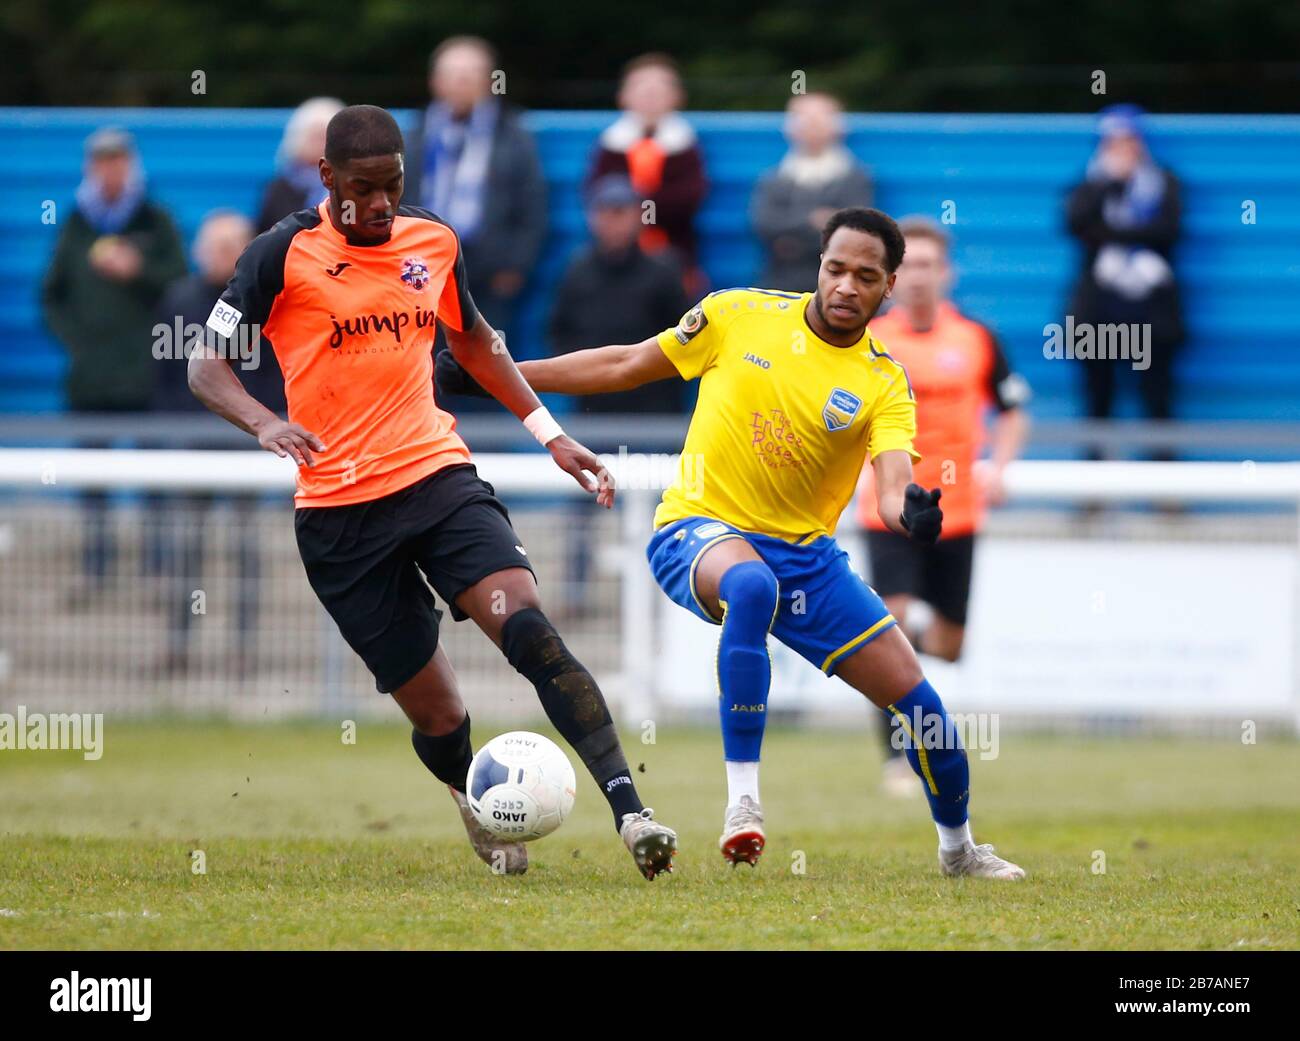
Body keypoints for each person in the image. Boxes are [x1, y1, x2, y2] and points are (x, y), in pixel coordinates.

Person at [439, 207, 1026, 880]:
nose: (844, 286)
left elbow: (893, 486)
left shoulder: (883, 381)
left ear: (887, 286)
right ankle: (743, 801)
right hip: (697, 528)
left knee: (923, 707)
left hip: (807, 561)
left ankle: (959, 849)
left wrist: (910, 513)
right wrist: (502, 372)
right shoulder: (736, 314)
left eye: (865, 277)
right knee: (751, 585)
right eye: (835, 268)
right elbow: (628, 363)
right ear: (820, 264)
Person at [188, 105, 677, 881]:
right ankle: (466, 792)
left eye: (393, 185)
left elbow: (476, 343)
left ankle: (634, 814)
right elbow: (204, 362)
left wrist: (550, 432)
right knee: (442, 716)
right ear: (327, 179)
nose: (381, 203)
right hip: (341, 518)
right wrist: (263, 422)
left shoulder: (434, 240)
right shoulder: (281, 253)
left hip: (437, 478)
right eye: (364, 188)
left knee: (527, 626)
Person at [856, 218, 1030, 796]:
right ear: (894, 279)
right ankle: (895, 759)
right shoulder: (871, 339)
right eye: (911, 268)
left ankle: (902, 645)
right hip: (891, 508)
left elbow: (1013, 409)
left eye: (931, 265)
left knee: (949, 645)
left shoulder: (976, 338)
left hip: (959, 512)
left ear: (946, 273)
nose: (920, 278)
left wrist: (1000, 469)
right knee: (892, 624)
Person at [41, 126, 187, 600]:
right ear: (90, 168)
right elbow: (52, 296)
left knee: (154, 477)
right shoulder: (76, 224)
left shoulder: (155, 219)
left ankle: (158, 568)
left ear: (131, 165)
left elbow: (180, 287)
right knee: (93, 478)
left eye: (119, 161)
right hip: (91, 378)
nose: (110, 170)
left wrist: (137, 270)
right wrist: (78, 343)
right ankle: (96, 568)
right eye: (101, 162)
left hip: (148, 376)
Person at [544, 173, 689, 617]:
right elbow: (559, 332)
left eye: (622, 211)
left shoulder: (663, 272)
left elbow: (684, 344)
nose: (613, 221)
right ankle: (575, 592)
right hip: (592, 417)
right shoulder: (578, 270)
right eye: (605, 212)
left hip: (651, 420)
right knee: (581, 507)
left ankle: (662, 597)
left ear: (638, 217)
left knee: (661, 511)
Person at [149, 211, 285, 676]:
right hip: (194, 449)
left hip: (245, 446)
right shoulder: (179, 299)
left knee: (246, 550)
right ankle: (178, 644)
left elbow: (274, 377)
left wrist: (255, 424)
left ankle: (243, 649)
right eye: (213, 246)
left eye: (230, 247)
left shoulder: (264, 302)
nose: (220, 255)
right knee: (185, 550)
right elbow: (166, 377)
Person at [403, 36, 546, 357]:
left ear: (489, 80)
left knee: (488, 366)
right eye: (453, 75)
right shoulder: (416, 133)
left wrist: (516, 267)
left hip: (489, 270)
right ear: (435, 81)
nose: (460, 84)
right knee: (423, 364)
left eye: (469, 76)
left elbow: (532, 204)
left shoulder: (513, 135)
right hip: (421, 266)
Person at [1065, 103, 1183, 455]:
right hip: (1098, 310)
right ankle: (1094, 490)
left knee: (1157, 398)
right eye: (1112, 143)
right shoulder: (1089, 185)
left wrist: (1112, 233)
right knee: (1098, 400)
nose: (1121, 150)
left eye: (1128, 141)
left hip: (1152, 312)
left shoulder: (1164, 183)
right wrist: (1110, 185)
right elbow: (1077, 226)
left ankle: (1167, 488)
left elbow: (1168, 232)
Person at [587, 53, 708, 295]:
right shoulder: (611, 144)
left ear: (677, 97)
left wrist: (631, 209)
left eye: (660, 89)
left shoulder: (685, 146)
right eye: (642, 88)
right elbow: (596, 198)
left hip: (675, 256)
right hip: (614, 259)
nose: (650, 96)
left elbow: (689, 199)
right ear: (623, 96)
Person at [751, 93, 873, 292]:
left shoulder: (856, 178)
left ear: (838, 126)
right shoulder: (774, 178)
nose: (811, 126)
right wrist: (813, 220)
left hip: (839, 285)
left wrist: (791, 241)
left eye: (820, 119)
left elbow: (855, 230)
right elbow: (763, 224)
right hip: (780, 282)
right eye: (803, 119)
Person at [257, 97, 344, 233]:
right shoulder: (279, 188)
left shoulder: (349, 186)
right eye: (314, 136)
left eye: (324, 136)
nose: (319, 144)